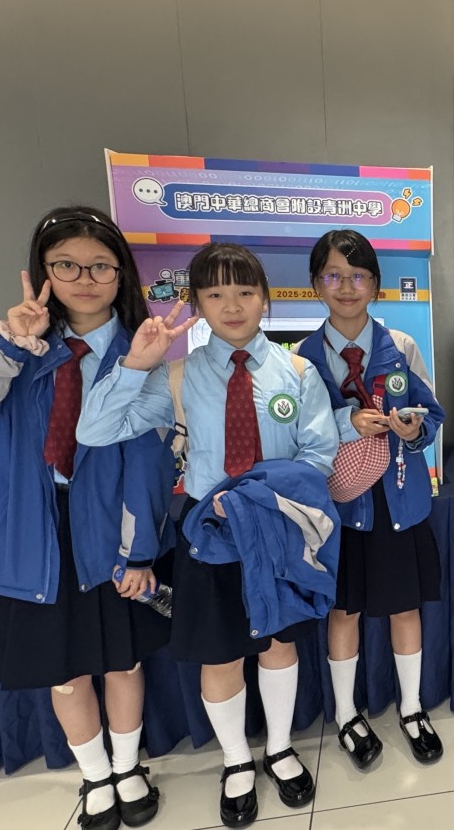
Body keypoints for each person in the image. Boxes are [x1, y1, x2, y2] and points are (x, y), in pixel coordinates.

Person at [0, 206, 173, 830]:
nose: (84, 279)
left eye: (100, 266)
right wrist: (13, 346)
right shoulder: (21, 346)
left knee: (122, 660)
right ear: (42, 272)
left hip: (110, 526)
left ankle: (128, 768)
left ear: (122, 275)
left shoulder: (142, 350)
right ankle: (95, 776)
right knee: (64, 672)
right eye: (66, 265)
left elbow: (148, 463)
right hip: (36, 530)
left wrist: (139, 550)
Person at [78, 243, 339, 828]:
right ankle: (236, 759)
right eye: (215, 293)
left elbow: (319, 454)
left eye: (245, 291)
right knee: (220, 655)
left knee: (279, 644)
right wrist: (135, 364)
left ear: (266, 299)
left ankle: (279, 748)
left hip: (276, 526)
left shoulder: (298, 373)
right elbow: (95, 430)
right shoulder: (178, 376)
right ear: (195, 303)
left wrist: (261, 495)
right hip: (210, 531)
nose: (232, 305)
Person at [295, 229, 448, 768]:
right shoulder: (301, 360)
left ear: (376, 286)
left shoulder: (400, 347)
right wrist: (346, 424)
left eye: (358, 275)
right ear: (315, 284)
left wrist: (415, 430)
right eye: (334, 275)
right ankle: (346, 715)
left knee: (405, 606)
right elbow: (296, 438)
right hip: (337, 509)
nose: (346, 286)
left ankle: (412, 707)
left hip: (398, 501)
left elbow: (432, 415)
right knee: (344, 610)